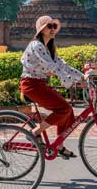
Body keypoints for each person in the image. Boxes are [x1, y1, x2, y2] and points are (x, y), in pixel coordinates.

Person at [19, 15, 84, 159]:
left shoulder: (49, 48)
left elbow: (62, 65)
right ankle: (35, 132)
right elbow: (51, 67)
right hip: (31, 85)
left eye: (54, 26)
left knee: (68, 111)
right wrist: (70, 81)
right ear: (41, 30)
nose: (52, 29)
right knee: (63, 109)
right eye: (49, 26)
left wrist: (81, 77)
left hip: (39, 84)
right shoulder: (36, 45)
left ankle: (59, 145)